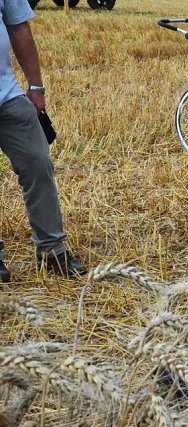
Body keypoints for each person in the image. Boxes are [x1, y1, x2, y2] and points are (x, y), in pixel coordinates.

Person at [0, 0, 86, 284]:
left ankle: (52, 251)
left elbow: (18, 26)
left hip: (8, 96)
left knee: (38, 163)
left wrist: (35, 87)